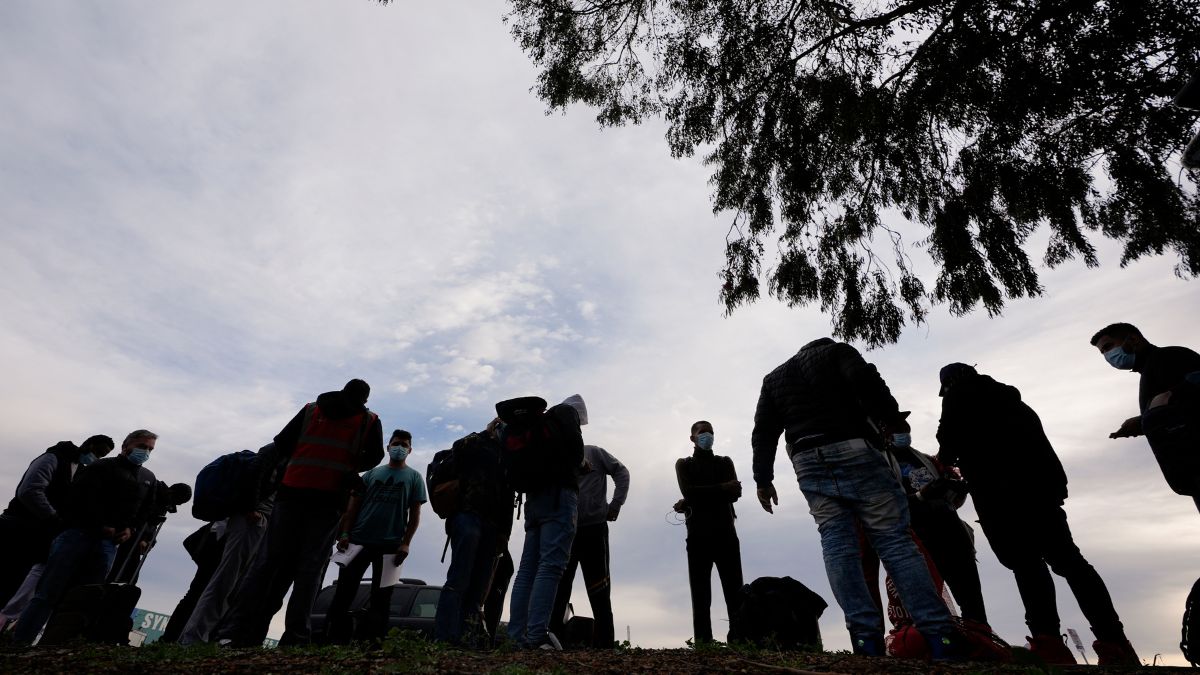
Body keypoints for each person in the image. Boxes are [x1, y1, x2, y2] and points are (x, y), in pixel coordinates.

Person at [750, 338, 960, 659]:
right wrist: (892, 419)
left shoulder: (775, 377)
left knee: (837, 544)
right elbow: (865, 380)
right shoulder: (838, 352)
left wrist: (763, 479)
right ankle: (939, 634)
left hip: (806, 459)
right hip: (852, 446)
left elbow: (763, 431)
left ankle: (865, 639)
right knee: (894, 542)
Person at [936, 362, 1139, 666]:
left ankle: (1049, 644)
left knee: (1027, 567)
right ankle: (1115, 642)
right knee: (1071, 563)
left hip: (1000, 498)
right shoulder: (1015, 402)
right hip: (1042, 494)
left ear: (949, 384)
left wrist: (945, 462)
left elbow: (948, 445)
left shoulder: (958, 395)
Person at [218, 379, 384, 647]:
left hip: (291, 493)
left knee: (265, 564)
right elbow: (374, 456)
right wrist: (349, 468)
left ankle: (235, 631)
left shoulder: (311, 409)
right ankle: (295, 638)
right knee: (310, 571)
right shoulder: (368, 420)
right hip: (328, 501)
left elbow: (282, 444)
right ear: (365, 399)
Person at [14, 430, 160, 644]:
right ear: (126, 445)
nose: (145, 451)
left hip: (108, 546)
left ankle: (54, 645)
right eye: (141, 446)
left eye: (149, 448)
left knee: (83, 599)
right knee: (48, 593)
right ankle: (21, 642)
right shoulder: (100, 467)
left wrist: (130, 529)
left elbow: (145, 511)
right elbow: (77, 500)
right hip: (77, 536)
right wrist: (100, 525)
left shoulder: (148, 478)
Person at [323, 430, 426, 642]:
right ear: (388, 447)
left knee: (382, 598)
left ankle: (373, 643)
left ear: (410, 450)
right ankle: (333, 640)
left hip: (391, 547)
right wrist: (344, 533)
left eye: (404, 445)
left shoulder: (414, 477)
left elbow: (415, 516)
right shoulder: (370, 474)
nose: (400, 448)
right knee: (344, 592)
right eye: (396, 443)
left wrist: (405, 544)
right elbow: (352, 507)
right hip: (359, 542)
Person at [176, 443, 281, 645]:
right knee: (226, 581)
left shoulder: (280, 452)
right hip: (254, 520)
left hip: (256, 520)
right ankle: (193, 638)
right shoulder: (280, 450)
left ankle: (205, 636)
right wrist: (250, 507)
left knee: (232, 582)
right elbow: (257, 476)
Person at [503, 395, 584, 650]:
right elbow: (576, 454)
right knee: (550, 566)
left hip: (534, 499)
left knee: (527, 569)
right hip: (559, 497)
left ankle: (515, 636)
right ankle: (537, 635)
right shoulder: (566, 415)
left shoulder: (536, 426)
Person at [0, 435, 114, 614]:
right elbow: (30, 490)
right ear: (89, 444)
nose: (97, 458)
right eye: (98, 452)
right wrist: (54, 517)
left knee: (12, 583)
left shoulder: (80, 469)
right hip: (17, 526)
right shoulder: (53, 458)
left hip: (40, 533)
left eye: (102, 456)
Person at [550, 396, 630, 648]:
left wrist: (615, 504)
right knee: (560, 587)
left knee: (599, 588)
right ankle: (552, 639)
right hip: (567, 531)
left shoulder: (594, 453)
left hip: (594, 529)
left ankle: (605, 644)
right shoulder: (558, 457)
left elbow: (622, 472)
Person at [1091, 323, 1200, 503]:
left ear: (1133, 339)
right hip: (1191, 474)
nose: (1108, 357)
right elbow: (1171, 415)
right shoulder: (1149, 371)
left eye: (1108, 347)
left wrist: (1159, 406)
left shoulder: (1169, 356)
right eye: (1103, 353)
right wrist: (1143, 422)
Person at [434, 427, 515, 646]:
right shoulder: (476, 444)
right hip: (466, 515)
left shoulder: (507, 456)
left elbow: (509, 498)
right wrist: (485, 433)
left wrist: (504, 534)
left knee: (478, 588)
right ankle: (445, 639)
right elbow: (458, 448)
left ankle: (466, 640)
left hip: (492, 525)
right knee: (459, 579)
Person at [674, 420, 744, 646]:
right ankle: (704, 642)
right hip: (698, 536)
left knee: (735, 591)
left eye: (710, 433)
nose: (707, 436)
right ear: (692, 438)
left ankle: (739, 638)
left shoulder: (725, 462)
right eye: (702, 433)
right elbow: (690, 492)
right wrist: (722, 488)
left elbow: (735, 494)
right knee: (700, 594)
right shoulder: (683, 464)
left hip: (726, 534)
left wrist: (695, 497)